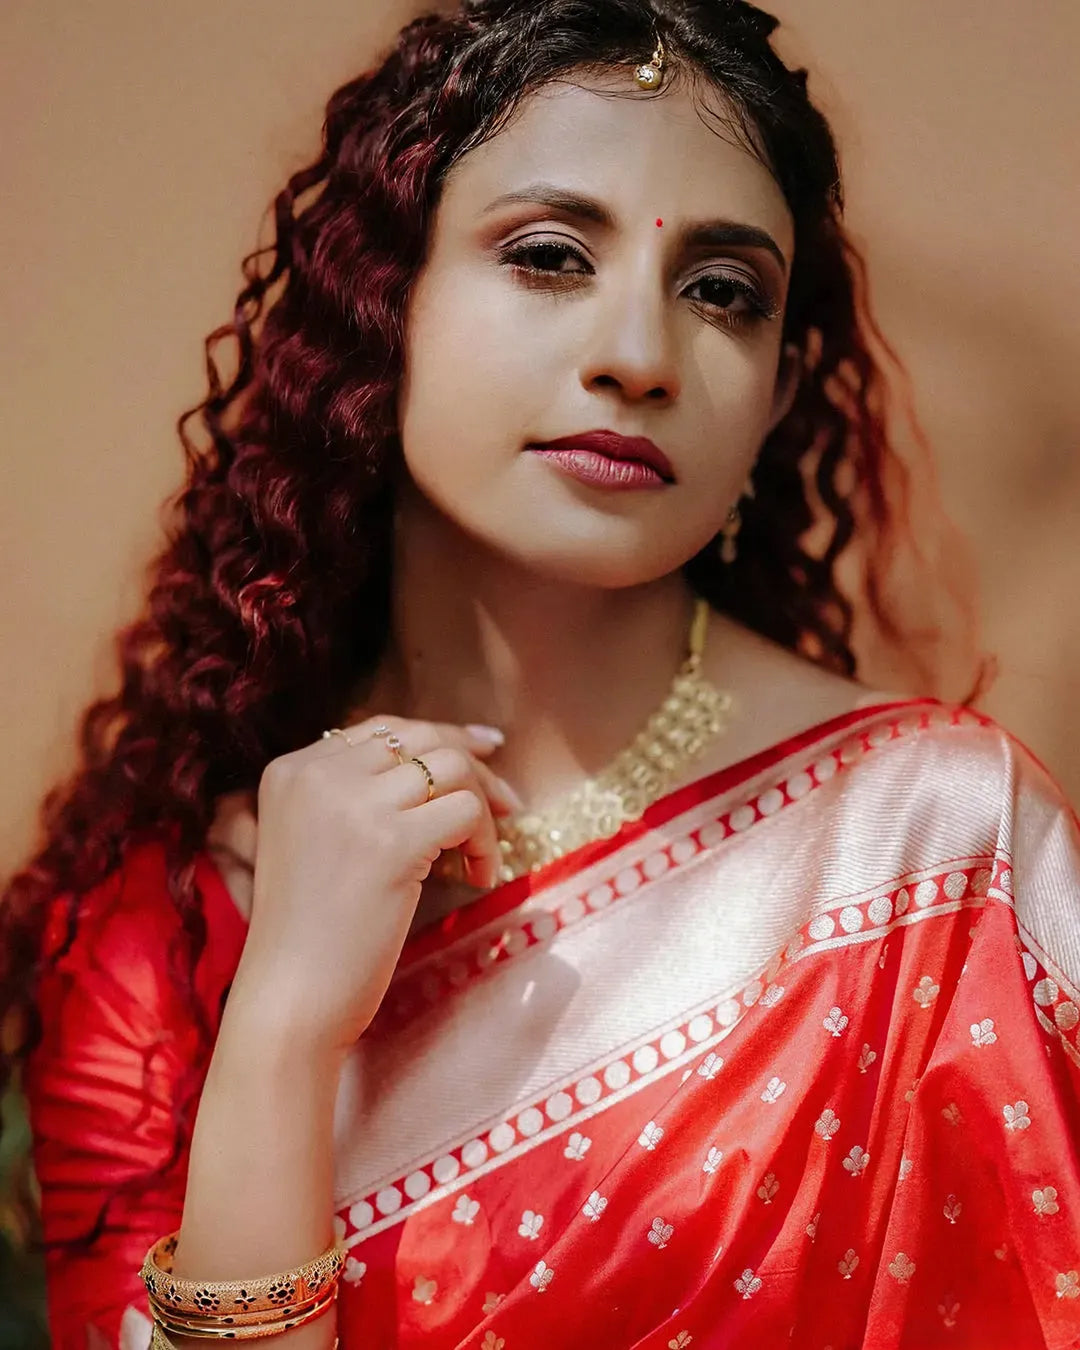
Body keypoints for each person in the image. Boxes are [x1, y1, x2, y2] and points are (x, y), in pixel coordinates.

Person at [3, 0, 1078, 1346]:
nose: (637, 356)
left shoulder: (935, 844)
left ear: (777, 391)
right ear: (381, 303)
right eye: (552, 255)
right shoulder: (156, 937)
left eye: (723, 292)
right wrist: (279, 1033)